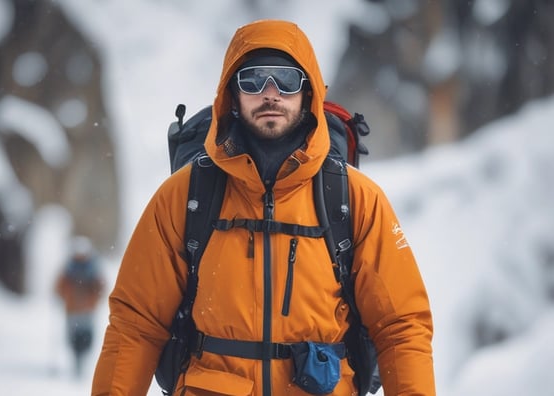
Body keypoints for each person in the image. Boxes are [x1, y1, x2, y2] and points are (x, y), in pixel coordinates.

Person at [92, 19, 435, 395]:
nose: (270, 93)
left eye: (286, 80)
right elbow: (136, 325)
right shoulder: (184, 196)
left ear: (307, 93)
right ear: (231, 94)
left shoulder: (355, 197)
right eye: (252, 79)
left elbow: (402, 327)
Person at [55, 235, 104, 377]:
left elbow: (100, 287)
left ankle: (81, 363)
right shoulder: (69, 269)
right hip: (74, 310)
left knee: (85, 339)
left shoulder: (92, 268)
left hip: (84, 310)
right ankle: (77, 364)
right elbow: (60, 286)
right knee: (74, 339)